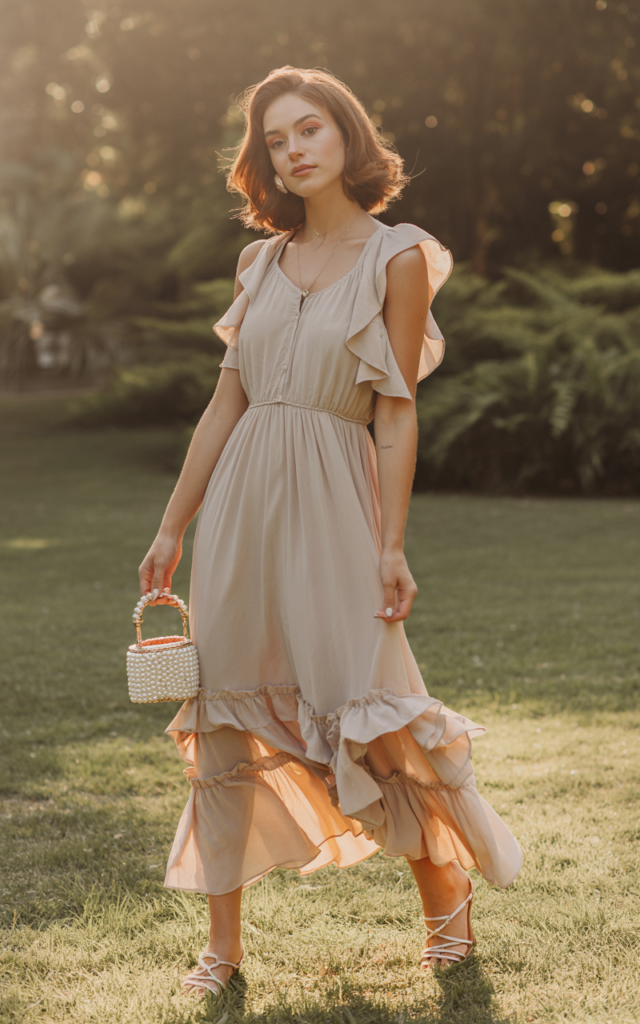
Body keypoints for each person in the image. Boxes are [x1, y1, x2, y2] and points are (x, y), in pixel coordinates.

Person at [139, 65, 521, 996]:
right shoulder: (258, 262)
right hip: (241, 510)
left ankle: (449, 914)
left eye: (309, 129)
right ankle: (220, 953)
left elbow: (394, 412)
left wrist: (391, 544)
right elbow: (226, 398)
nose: (294, 149)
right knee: (224, 714)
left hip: (336, 507)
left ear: (348, 138)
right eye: (276, 139)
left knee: (372, 707)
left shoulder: (399, 256)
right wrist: (171, 526)